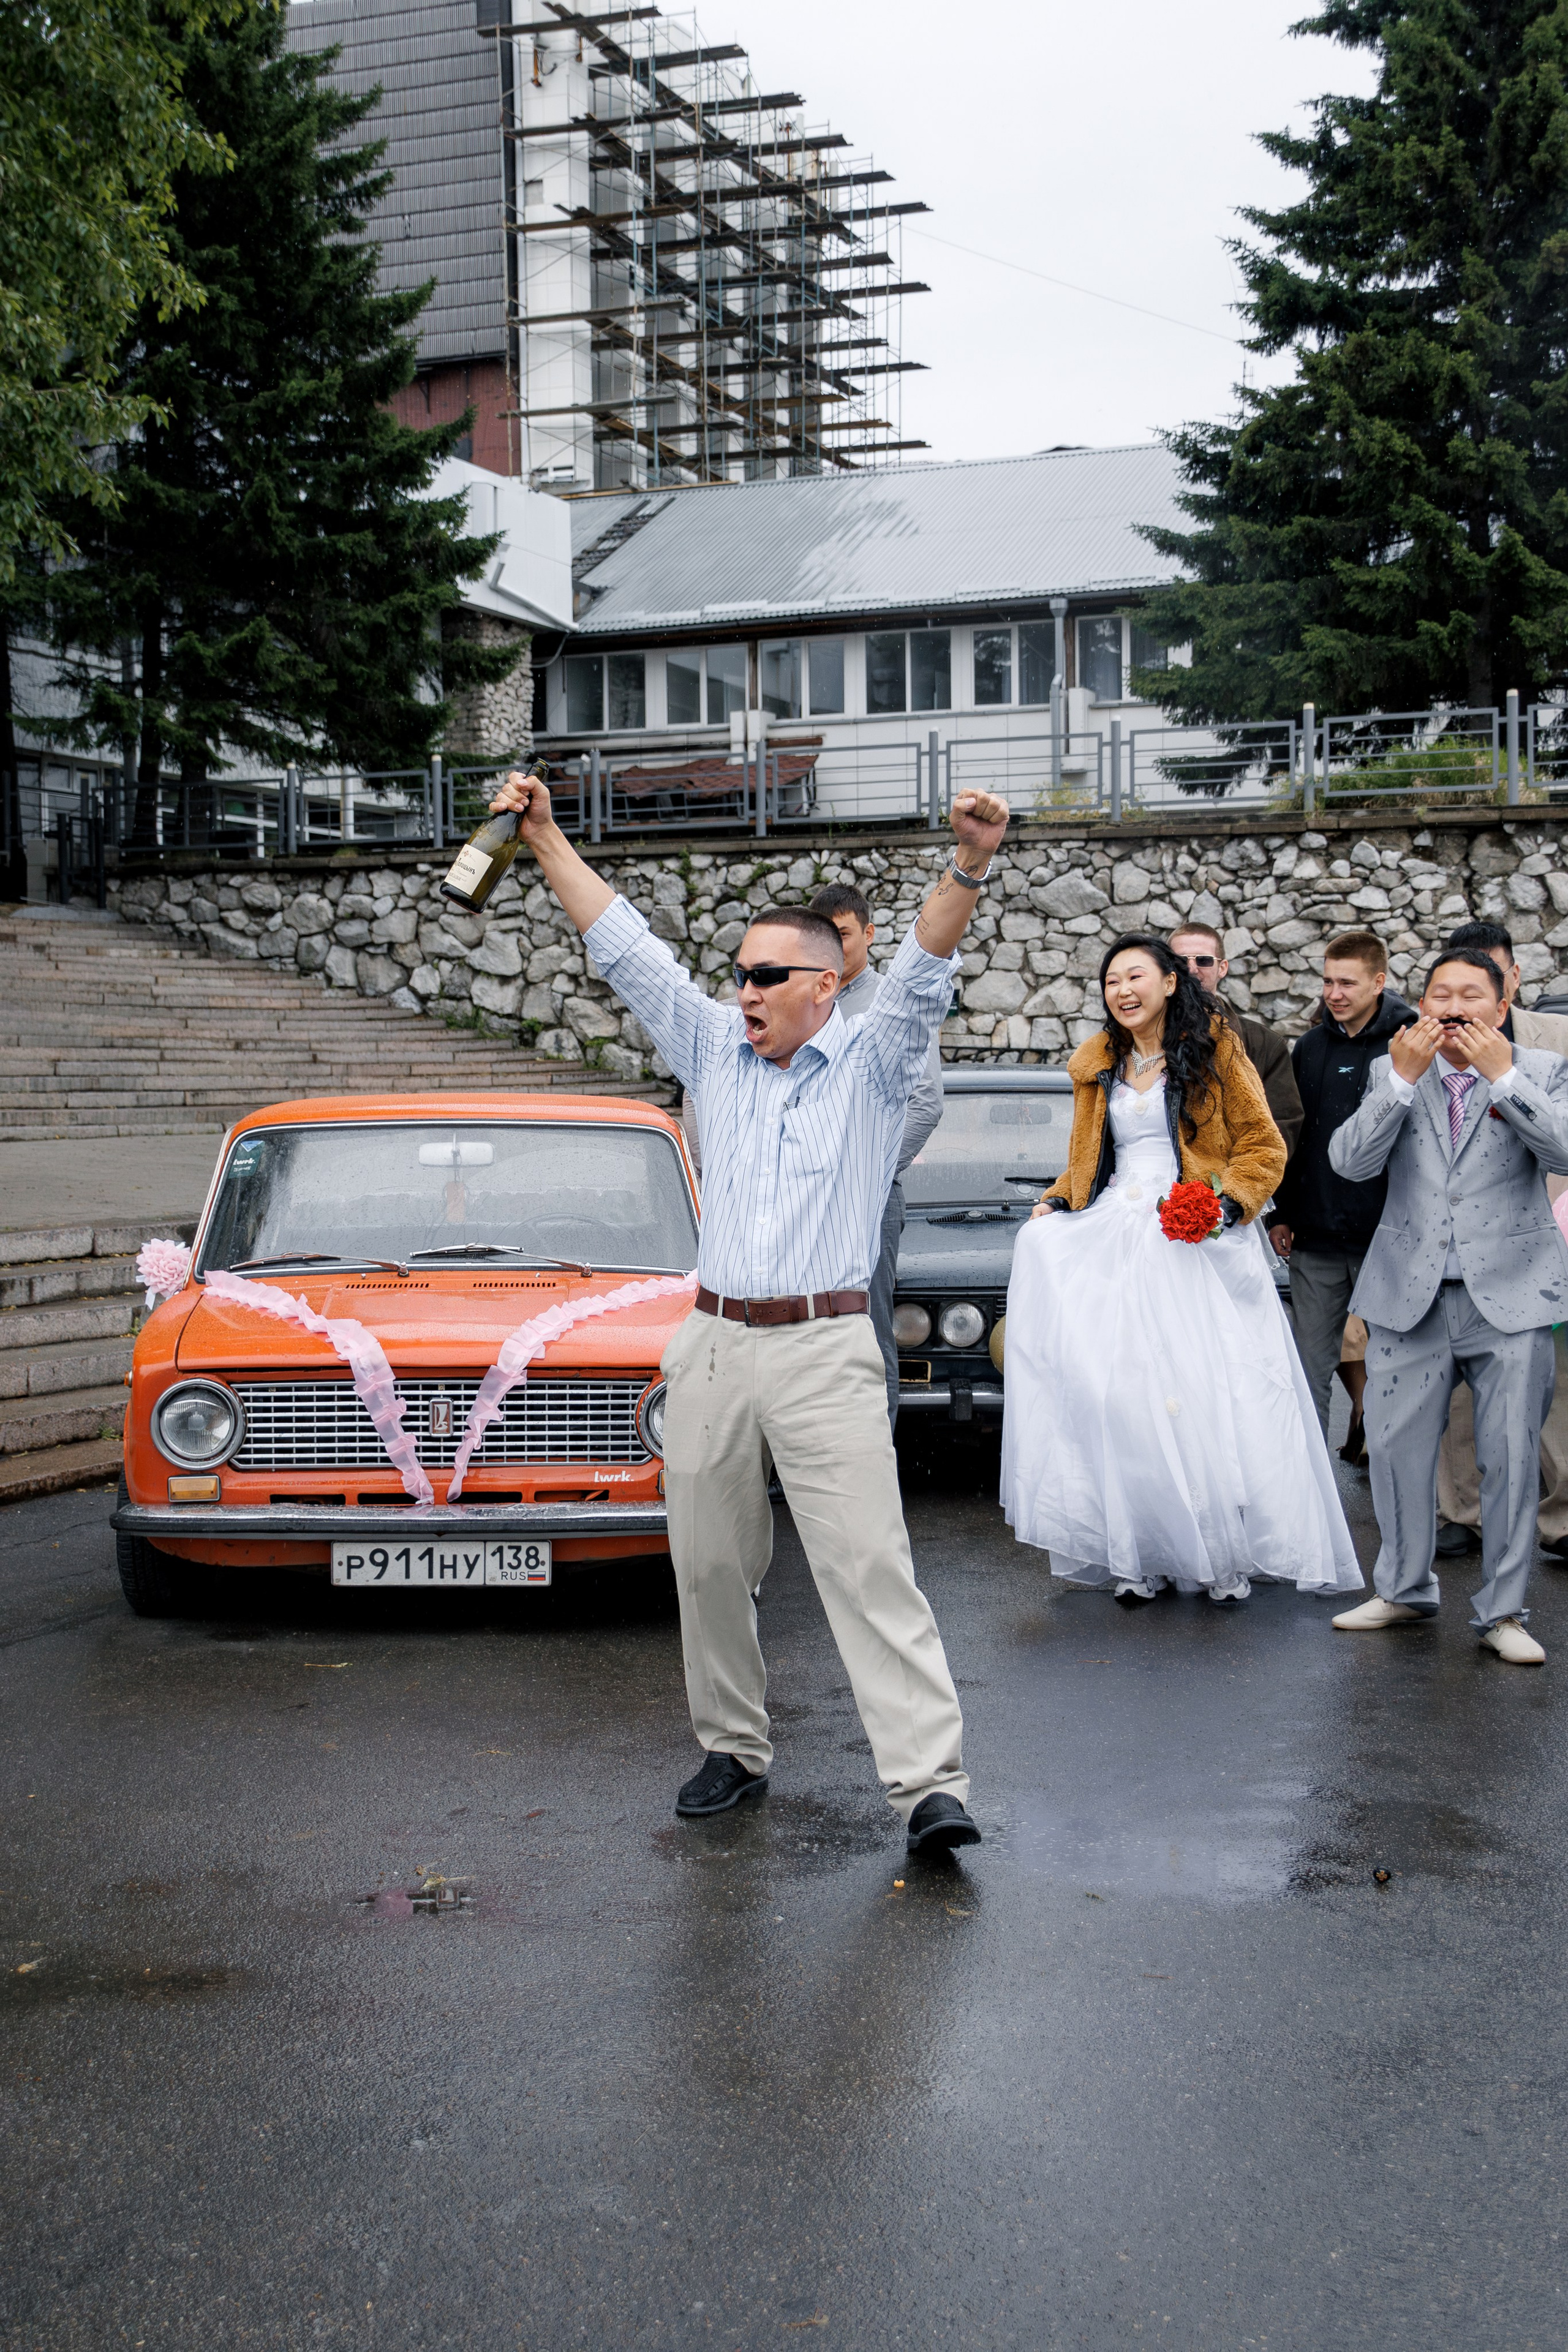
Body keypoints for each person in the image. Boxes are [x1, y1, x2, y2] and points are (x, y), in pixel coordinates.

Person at [485, 766, 1011, 1853]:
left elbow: (924, 964)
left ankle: (928, 1789)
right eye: (739, 975)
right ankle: (732, 1748)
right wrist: (542, 838)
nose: (746, 993)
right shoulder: (712, 1051)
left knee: (868, 1566)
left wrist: (967, 864)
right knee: (710, 1558)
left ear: (825, 984)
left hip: (825, 1346)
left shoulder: (873, 1062)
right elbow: (623, 942)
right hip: (716, 1342)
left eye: (769, 976)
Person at [999, 932, 1361, 1608]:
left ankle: (1217, 1552)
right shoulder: (1097, 1064)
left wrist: (1226, 1204)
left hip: (1192, 1235)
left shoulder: (1217, 1049)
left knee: (1203, 1396)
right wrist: (1055, 1200)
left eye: (1135, 976)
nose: (1122, 991)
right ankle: (1142, 1549)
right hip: (1116, 1236)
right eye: (1110, 982)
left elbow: (1261, 1143)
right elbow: (1086, 1161)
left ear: (1170, 982)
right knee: (1122, 1401)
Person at [1329, 949, 1568, 1664]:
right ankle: (1402, 1590)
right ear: (1419, 1007)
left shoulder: (1544, 1071)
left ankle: (1503, 1611)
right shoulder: (1389, 1071)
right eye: (1439, 995)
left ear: (1502, 1008)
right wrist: (1398, 1082)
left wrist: (1505, 1076)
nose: (1453, 1007)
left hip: (1513, 1293)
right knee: (1398, 1453)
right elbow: (1348, 1163)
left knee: (1511, 1457)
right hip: (1408, 1293)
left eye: (1471, 994)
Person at [1434, 920, 1568, 1559]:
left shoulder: (1553, 1043)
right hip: (1450, 1257)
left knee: (1551, 1390)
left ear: (1508, 984)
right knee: (1459, 1400)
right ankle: (1463, 1511)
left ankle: (1561, 1516)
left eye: (1482, 979)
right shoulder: (1421, 1054)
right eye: (1448, 989)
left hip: (1539, 1238)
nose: (1462, 1004)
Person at [1267, 932, 1417, 1441]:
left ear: (1380, 982)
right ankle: (1310, 1492)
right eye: (1328, 981)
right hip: (1317, 1238)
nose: (1334, 993)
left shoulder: (1412, 1041)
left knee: (1399, 1371)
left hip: (1391, 1238)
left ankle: (1392, 1473)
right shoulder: (1309, 1045)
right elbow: (1295, 1133)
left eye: (1347, 983)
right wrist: (1281, 1211)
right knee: (1308, 1368)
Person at [809, 881, 945, 1427]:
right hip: (802, 1195)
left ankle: (872, 1460)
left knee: (865, 1328)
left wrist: (863, 1171)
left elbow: (926, 1104)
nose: (833, 950)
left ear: (868, 933)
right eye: (823, 938)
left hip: (870, 1196)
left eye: (842, 935)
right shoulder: (804, 998)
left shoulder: (894, 1003)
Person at [1169, 923, 1304, 1154]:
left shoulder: (1265, 1045)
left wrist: (1233, 1183)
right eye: (1180, 961)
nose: (1191, 969)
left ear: (1222, 968)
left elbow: (1282, 1126)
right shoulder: (1141, 1037)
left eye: (1203, 960)